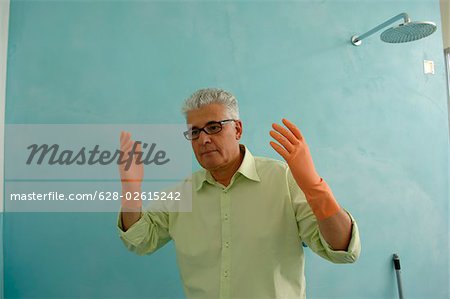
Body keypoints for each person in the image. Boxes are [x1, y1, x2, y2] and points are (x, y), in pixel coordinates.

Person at [117, 88, 361, 299]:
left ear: (237, 129)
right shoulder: (181, 195)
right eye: (194, 132)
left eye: (213, 127)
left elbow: (341, 249)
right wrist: (131, 189)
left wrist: (314, 186)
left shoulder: (283, 179)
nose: (203, 139)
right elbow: (140, 241)